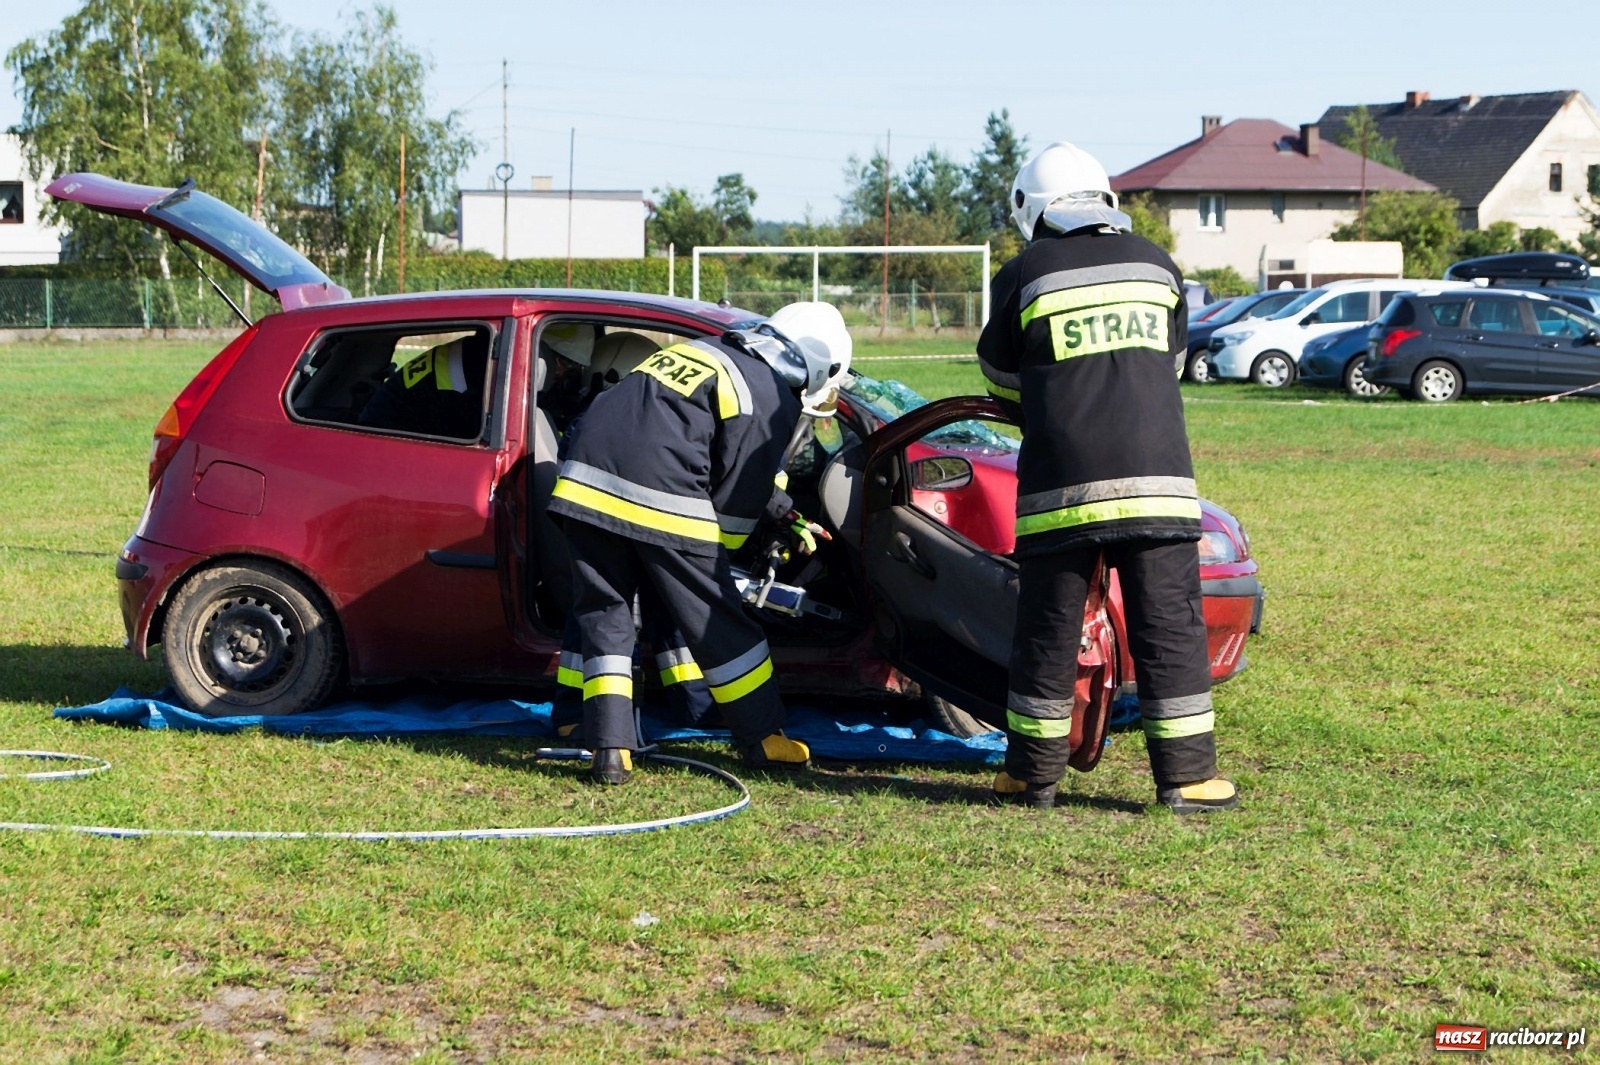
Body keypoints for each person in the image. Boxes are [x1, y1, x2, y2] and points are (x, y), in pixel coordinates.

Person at [977, 142, 1238, 814]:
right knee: (1169, 625)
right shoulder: (1157, 263)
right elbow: (1172, 360)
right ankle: (1187, 779)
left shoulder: (1025, 272)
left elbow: (999, 375)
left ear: (1029, 208)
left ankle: (1031, 778)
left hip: (1059, 486)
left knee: (1047, 630)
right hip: (1158, 479)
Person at [548, 303, 851, 784]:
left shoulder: (707, 353)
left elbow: (687, 442)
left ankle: (609, 751)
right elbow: (736, 496)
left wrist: (783, 513)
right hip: (659, 495)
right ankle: (765, 739)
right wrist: (722, 565)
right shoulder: (771, 392)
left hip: (582, 488)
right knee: (720, 620)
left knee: (606, 618)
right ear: (819, 365)